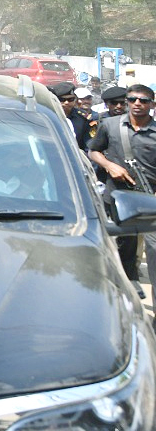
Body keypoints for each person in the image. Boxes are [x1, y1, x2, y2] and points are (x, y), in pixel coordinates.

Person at [89, 84, 156, 300]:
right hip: (117, 198)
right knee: (117, 249)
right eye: (133, 99)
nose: (137, 104)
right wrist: (110, 166)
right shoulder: (109, 125)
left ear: (152, 105)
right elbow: (94, 151)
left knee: (146, 254)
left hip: (149, 200)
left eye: (144, 100)